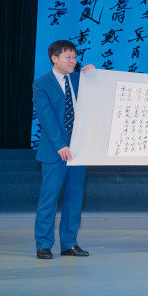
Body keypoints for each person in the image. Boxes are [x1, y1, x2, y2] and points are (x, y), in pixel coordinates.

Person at [33, 40, 95, 260]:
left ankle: (69, 243)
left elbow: (100, 97)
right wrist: (60, 144)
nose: (73, 61)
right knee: (49, 198)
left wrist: (95, 76)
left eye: (75, 57)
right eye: (68, 57)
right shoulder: (42, 84)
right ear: (54, 58)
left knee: (74, 197)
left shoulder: (80, 80)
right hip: (55, 150)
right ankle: (43, 244)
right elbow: (46, 117)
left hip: (79, 149)